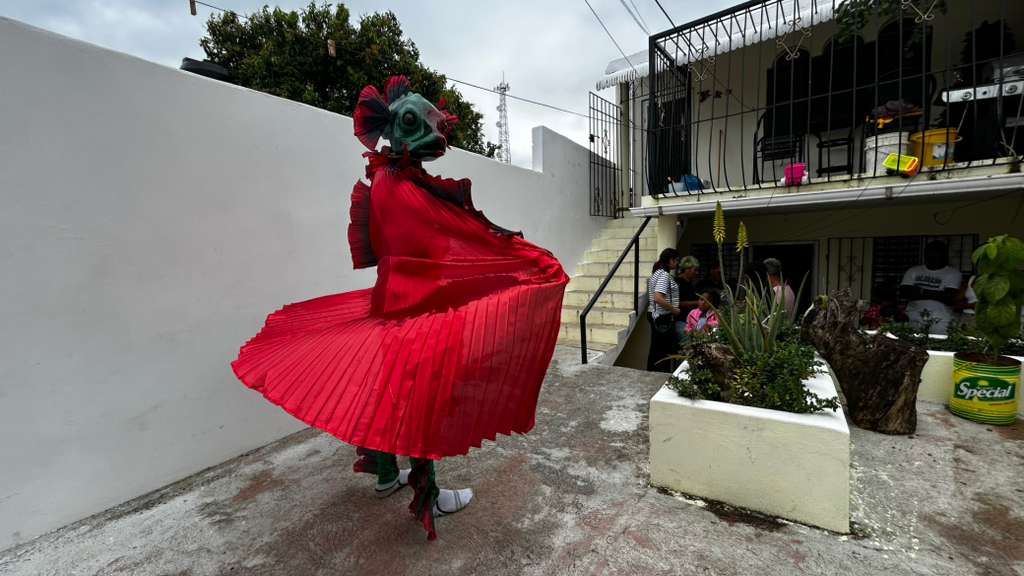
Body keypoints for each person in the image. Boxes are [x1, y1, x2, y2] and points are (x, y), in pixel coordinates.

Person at [231, 77, 569, 540]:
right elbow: (450, 242)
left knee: (391, 394)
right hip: (414, 310)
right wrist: (525, 259)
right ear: (402, 130)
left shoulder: (385, 179)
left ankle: (388, 474)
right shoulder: (404, 187)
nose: (439, 139)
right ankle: (429, 493)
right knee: (421, 402)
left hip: (391, 302)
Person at [899, 240, 962, 335]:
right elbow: (904, 293)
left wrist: (920, 291)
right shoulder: (913, 271)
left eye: (936, 253)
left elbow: (948, 298)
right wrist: (938, 294)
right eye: (929, 253)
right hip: (913, 317)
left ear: (944, 255)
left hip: (940, 320)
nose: (932, 256)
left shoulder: (953, 273)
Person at [647, 248, 681, 372]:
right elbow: (658, 298)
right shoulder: (664, 275)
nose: (677, 263)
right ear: (670, 260)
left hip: (656, 315)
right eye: (676, 260)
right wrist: (674, 310)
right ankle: (660, 377)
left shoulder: (657, 273)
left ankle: (652, 375)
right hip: (662, 317)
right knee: (662, 352)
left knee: (655, 350)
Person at [674, 256, 703, 340]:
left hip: (689, 321)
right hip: (680, 321)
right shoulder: (678, 283)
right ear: (687, 269)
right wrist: (698, 303)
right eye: (695, 270)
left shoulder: (690, 283)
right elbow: (678, 303)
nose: (697, 273)